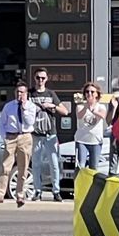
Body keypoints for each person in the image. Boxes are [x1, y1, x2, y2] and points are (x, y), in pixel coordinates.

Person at [26, 68, 70, 201]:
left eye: (43, 78)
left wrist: (52, 106)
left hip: (50, 133)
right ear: (34, 78)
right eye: (38, 78)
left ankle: (56, 191)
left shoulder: (51, 93)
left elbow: (65, 111)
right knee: (36, 164)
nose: (40, 80)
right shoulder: (30, 94)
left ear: (46, 79)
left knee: (54, 163)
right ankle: (37, 190)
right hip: (36, 133)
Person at [0, 81, 35, 205]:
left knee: (23, 167)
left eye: (22, 92)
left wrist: (24, 108)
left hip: (25, 136)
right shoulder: (9, 106)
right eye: (18, 92)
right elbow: (2, 122)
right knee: (5, 166)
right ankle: (0, 194)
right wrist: (4, 137)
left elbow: (30, 121)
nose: (19, 94)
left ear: (26, 94)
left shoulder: (31, 106)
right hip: (11, 136)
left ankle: (20, 195)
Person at [74, 81, 107, 171]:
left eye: (92, 92)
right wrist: (86, 106)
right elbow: (79, 116)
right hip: (82, 140)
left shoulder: (101, 107)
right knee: (81, 166)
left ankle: (92, 185)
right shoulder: (80, 106)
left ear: (97, 94)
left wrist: (93, 111)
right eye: (87, 92)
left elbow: (103, 116)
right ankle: (80, 184)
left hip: (96, 141)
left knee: (94, 167)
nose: (89, 94)